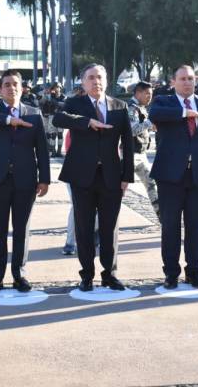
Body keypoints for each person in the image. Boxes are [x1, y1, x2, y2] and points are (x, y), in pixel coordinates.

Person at [53, 63, 134, 292]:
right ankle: (86, 275)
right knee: (84, 227)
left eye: (99, 77)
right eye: (91, 77)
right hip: (81, 176)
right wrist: (86, 122)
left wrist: (126, 175)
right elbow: (58, 119)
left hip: (111, 176)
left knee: (110, 227)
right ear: (83, 82)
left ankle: (110, 273)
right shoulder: (75, 104)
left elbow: (127, 144)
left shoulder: (120, 106)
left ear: (106, 81)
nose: (95, 81)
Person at [0, 69, 50, 293]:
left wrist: (44, 179)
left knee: (21, 229)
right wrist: (8, 119)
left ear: (22, 87)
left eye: (15, 83)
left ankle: (19, 275)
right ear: (0, 88)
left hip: (25, 179)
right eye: (6, 84)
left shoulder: (34, 113)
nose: (11, 87)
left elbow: (42, 150)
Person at [150, 65, 198, 288]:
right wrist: (185, 113)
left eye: (191, 79)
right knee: (171, 226)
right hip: (170, 177)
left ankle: (194, 271)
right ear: (173, 81)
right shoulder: (164, 102)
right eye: (182, 78)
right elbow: (155, 115)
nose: (187, 82)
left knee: (196, 226)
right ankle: (171, 273)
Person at [127, 81, 160, 219]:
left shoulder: (140, 107)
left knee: (152, 185)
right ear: (138, 93)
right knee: (117, 191)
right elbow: (132, 130)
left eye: (151, 94)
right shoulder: (132, 108)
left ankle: (162, 216)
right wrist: (149, 122)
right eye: (147, 94)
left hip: (140, 154)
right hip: (129, 155)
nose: (149, 97)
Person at [40, 82, 67, 157]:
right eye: (55, 87)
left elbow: (64, 105)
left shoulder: (63, 97)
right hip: (52, 116)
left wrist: (55, 102)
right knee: (52, 135)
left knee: (60, 134)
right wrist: (45, 95)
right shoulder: (49, 96)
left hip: (61, 116)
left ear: (60, 88)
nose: (57, 89)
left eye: (58, 87)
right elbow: (41, 102)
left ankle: (59, 151)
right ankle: (53, 151)